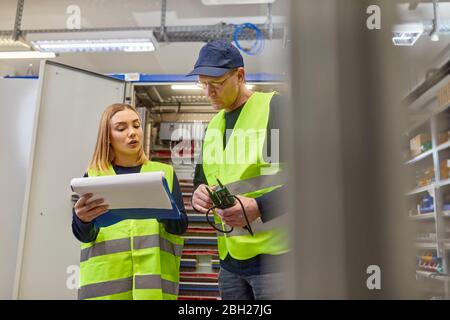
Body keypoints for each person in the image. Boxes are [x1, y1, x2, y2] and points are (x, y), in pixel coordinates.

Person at [188, 40, 289, 300]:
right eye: (203, 83)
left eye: (217, 83)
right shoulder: (213, 127)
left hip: (276, 261)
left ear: (240, 75)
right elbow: (201, 181)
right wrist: (197, 195)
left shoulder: (274, 109)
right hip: (230, 264)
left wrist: (260, 207)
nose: (209, 92)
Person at [71, 103, 188, 300]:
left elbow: (180, 227)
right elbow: (85, 236)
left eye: (136, 125)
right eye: (121, 128)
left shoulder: (163, 174)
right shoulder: (93, 177)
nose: (132, 132)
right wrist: (82, 220)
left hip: (152, 287)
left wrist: (162, 210)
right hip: (106, 285)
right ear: (107, 137)